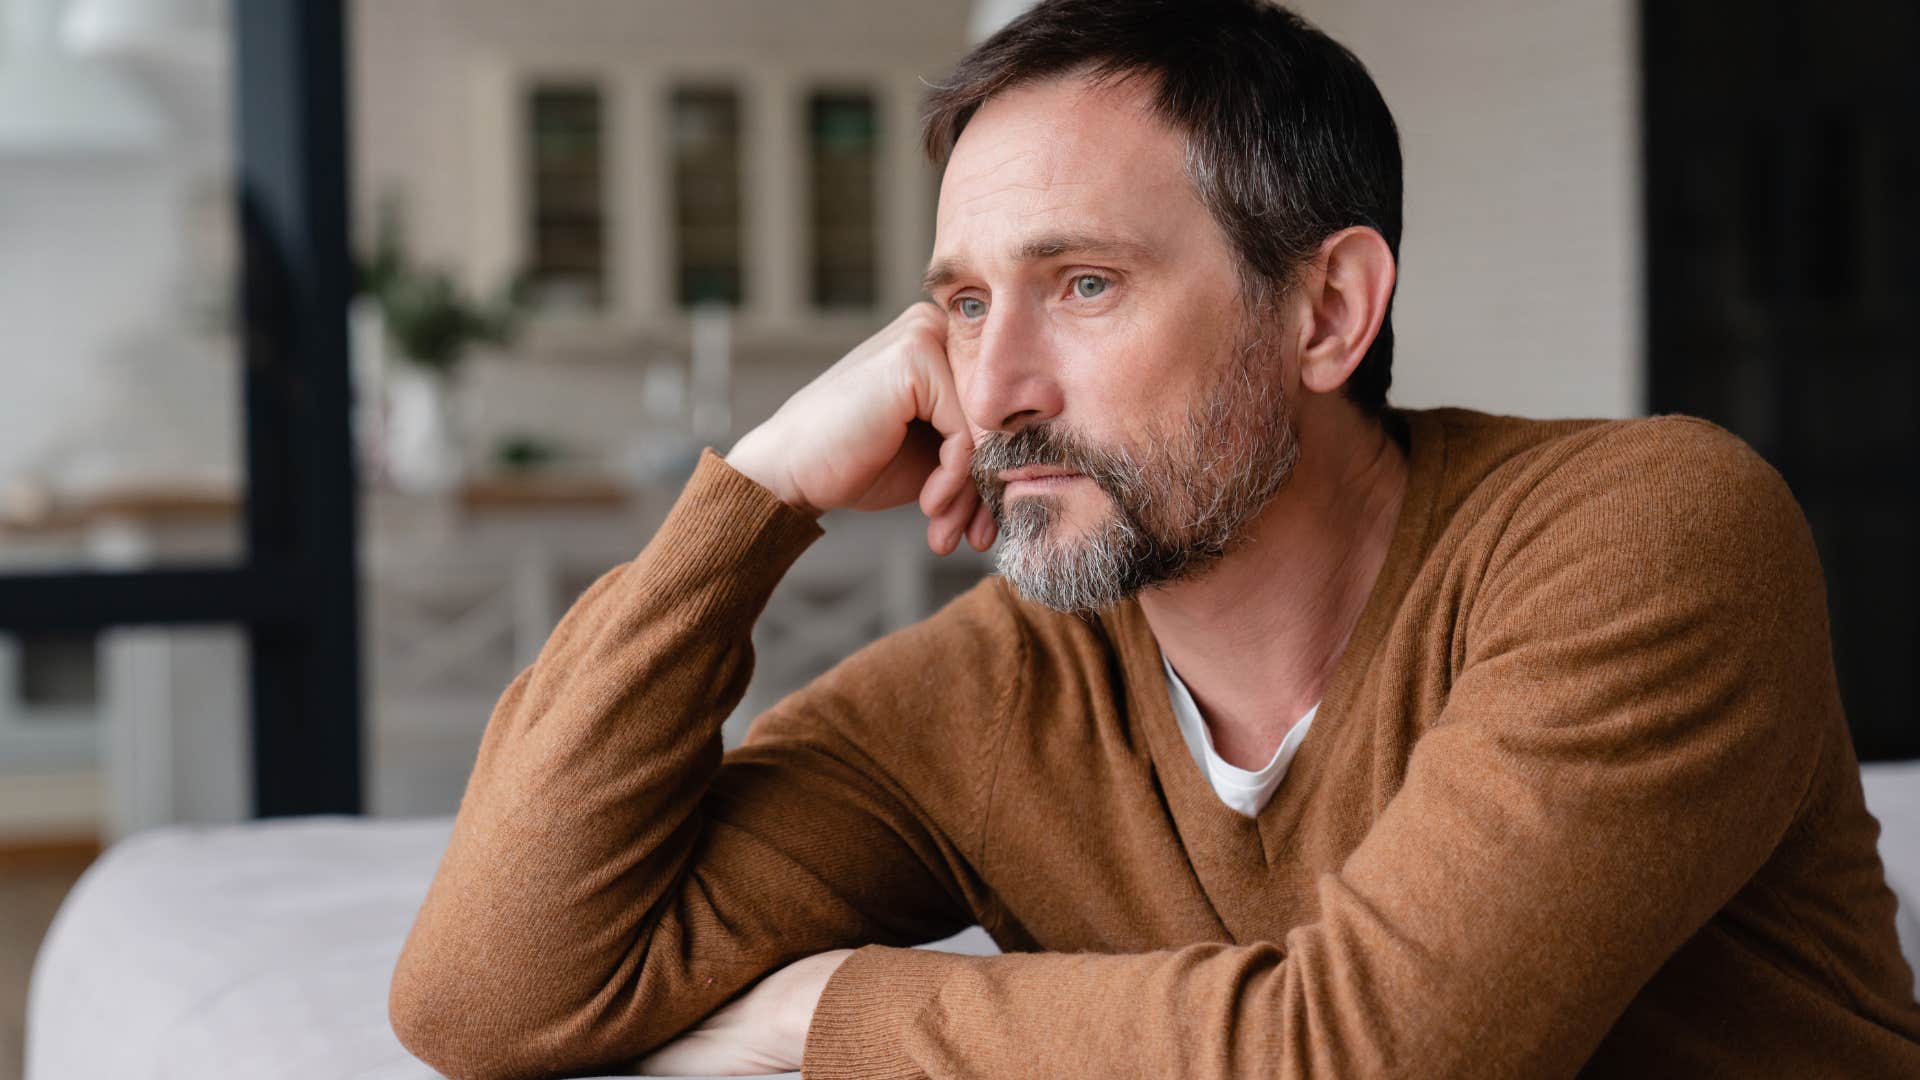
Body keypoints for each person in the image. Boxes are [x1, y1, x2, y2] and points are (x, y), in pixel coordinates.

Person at [389, 1, 1920, 1076]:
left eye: (1086, 285)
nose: (991, 392)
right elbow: (483, 997)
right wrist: (758, 499)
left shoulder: (1647, 532)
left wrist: (827, 1016)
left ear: (1327, 312)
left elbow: (1367, 1059)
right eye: (965, 301)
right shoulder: (1001, 689)